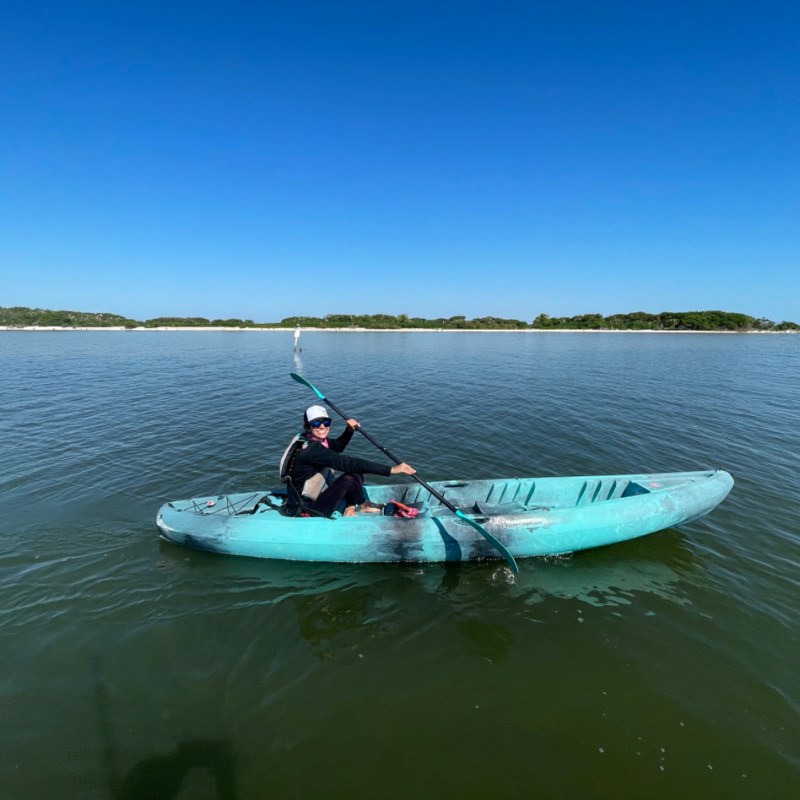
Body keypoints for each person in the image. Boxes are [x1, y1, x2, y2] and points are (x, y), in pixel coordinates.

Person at [280, 405, 415, 517]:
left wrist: (349, 431)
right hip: (307, 508)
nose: (322, 426)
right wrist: (391, 470)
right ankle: (359, 505)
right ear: (308, 427)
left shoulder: (314, 440)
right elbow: (348, 463)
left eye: (326, 422)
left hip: (316, 494)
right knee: (350, 477)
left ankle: (356, 505)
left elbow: (337, 446)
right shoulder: (311, 450)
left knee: (356, 473)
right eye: (316, 423)